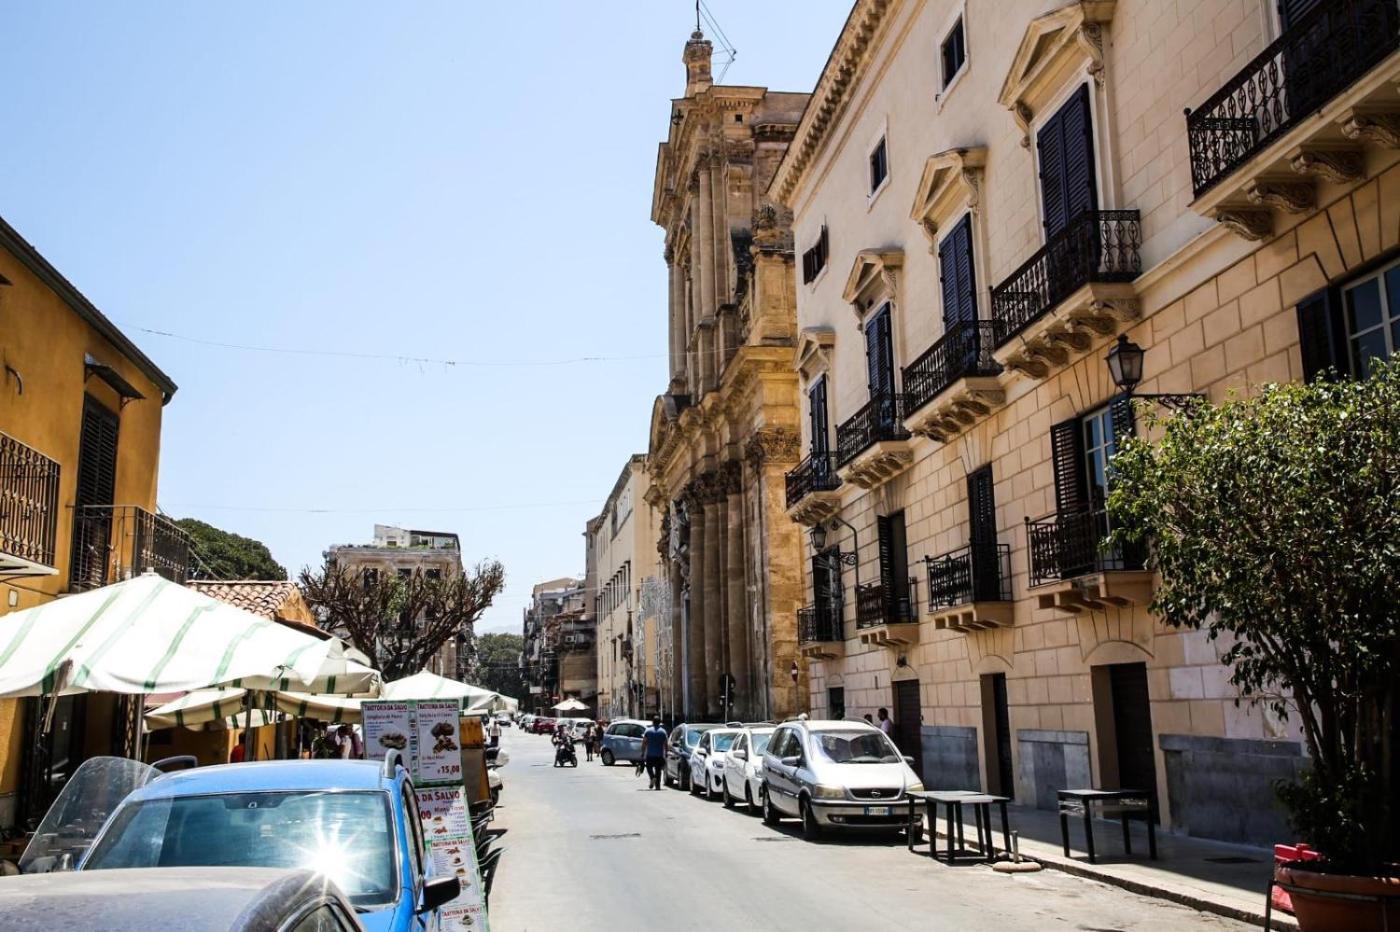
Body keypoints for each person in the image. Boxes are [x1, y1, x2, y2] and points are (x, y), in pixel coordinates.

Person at [641, 716, 668, 790]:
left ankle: (652, 777)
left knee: (649, 767)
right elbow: (665, 744)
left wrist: (643, 752)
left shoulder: (648, 731)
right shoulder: (663, 732)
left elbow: (644, 742)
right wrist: (666, 752)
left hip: (650, 754)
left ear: (653, 722)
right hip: (659, 754)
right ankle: (657, 786)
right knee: (658, 770)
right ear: (659, 723)